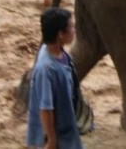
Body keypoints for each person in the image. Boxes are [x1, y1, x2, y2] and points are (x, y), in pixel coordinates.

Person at [26, 8, 83, 149]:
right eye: (71, 27)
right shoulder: (46, 69)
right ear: (60, 34)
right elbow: (46, 107)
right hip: (56, 134)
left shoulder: (58, 53)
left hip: (66, 127)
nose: (74, 30)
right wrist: (51, 139)